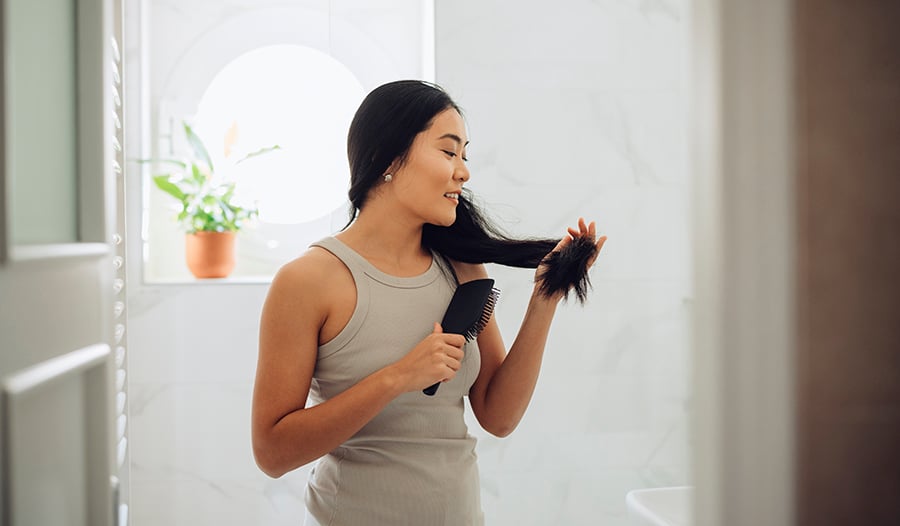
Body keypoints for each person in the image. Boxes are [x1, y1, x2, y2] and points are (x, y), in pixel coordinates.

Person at [251, 80, 606, 526]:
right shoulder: (308, 281)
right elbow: (272, 453)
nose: (463, 172)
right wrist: (398, 377)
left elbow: (498, 416)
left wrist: (545, 298)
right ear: (387, 158)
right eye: (448, 151)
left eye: (465, 155)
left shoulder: (462, 269)